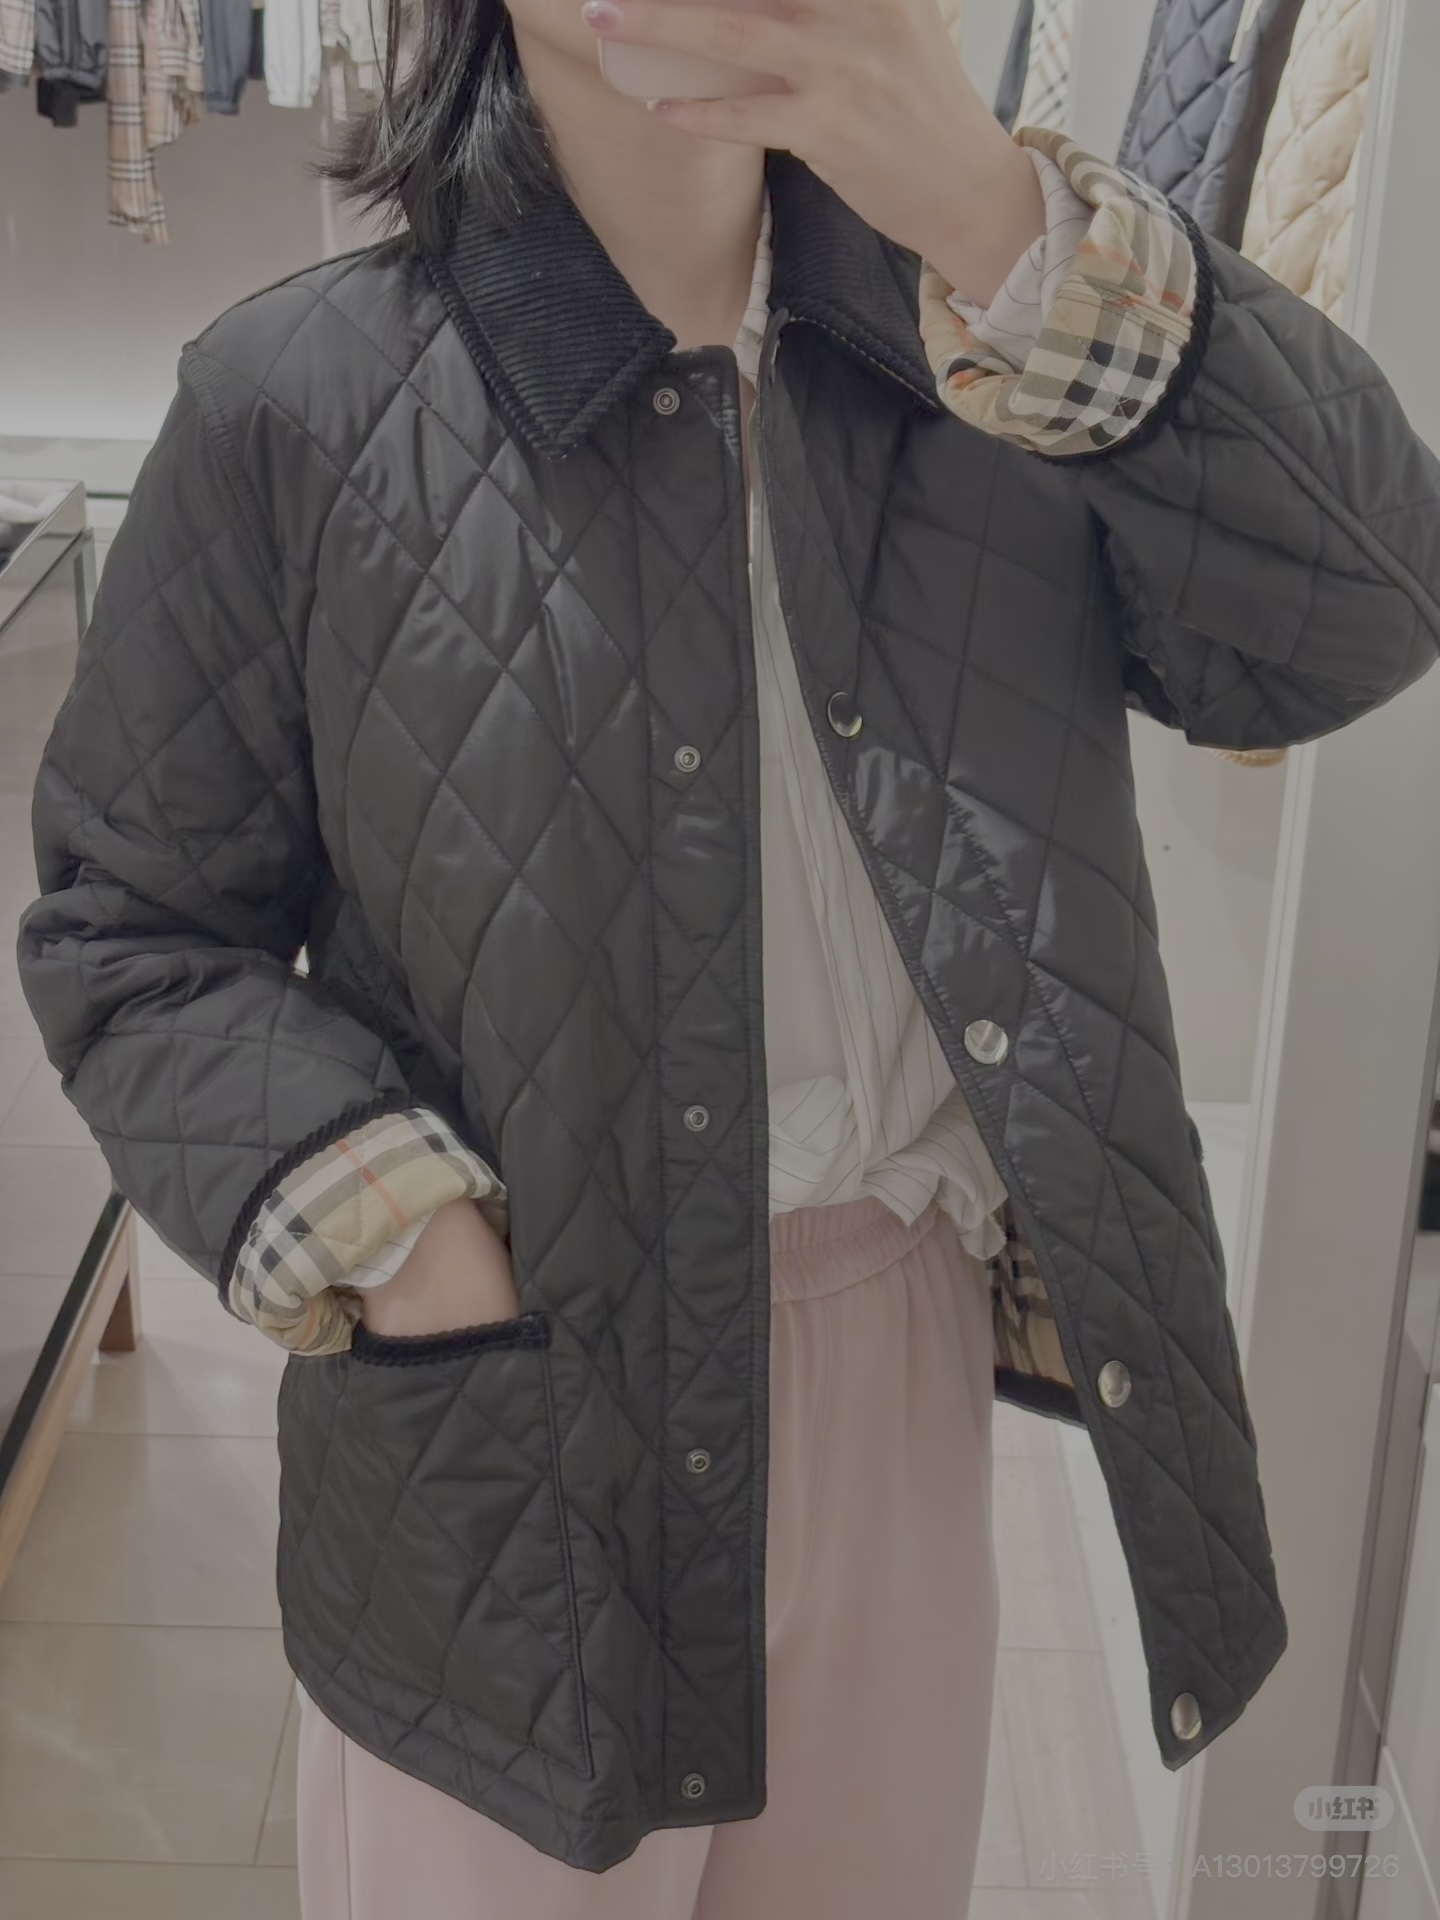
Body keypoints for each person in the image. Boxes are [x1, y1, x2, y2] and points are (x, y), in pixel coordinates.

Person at [15, 0, 1440, 1908]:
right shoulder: (300, 396)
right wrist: (407, 1245)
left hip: (897, 1361)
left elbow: (1359, 613)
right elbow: (129, 929)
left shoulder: (990, 340)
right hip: (508, 1415)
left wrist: (996, 208)